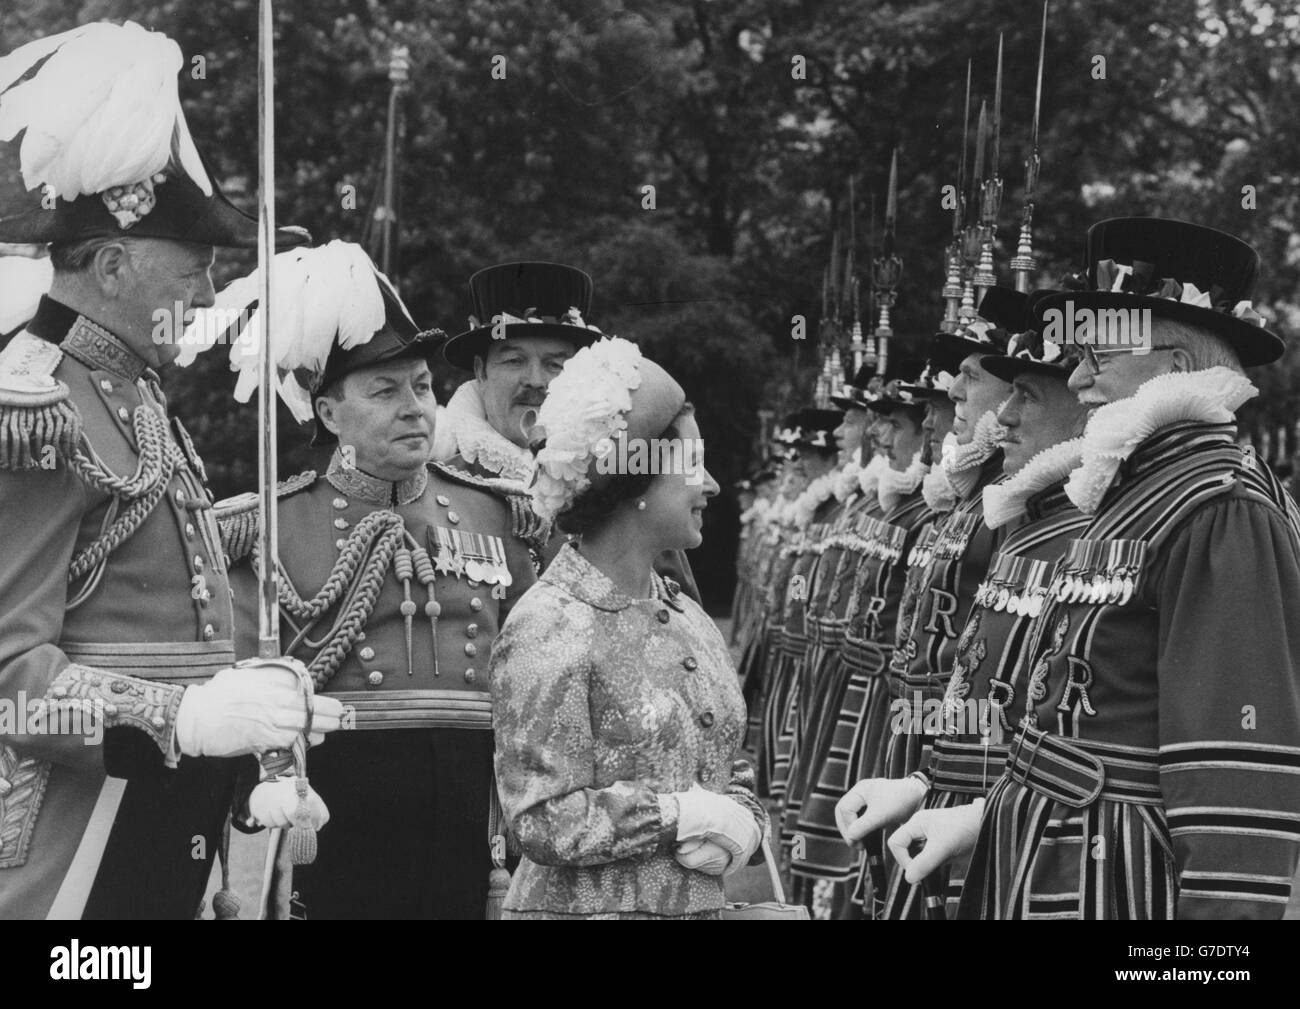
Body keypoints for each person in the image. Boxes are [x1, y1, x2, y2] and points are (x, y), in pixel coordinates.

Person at [0, 21, 340, 921]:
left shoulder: (138, 394)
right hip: (75, 837)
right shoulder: (32, 407)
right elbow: (8, 680)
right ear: (112, 265)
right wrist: (183, 718)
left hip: (165, 823)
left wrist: (251, 718)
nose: (205, 300)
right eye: (192, 274)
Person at [954, 218, 1300, 919]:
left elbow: (1235, 772)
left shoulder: (1220, 505)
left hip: (1122, 885)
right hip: (1052, 860)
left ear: (1174, 369)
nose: (1078, 376)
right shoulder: (1133, 496)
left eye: (1098, 355)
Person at [212, 242, 536, 919]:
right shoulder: (269, 526)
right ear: (329, 414)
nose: (415, 406)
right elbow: (235, 695)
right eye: (385, 390)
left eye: (423, 385)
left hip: (471, 813)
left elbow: (532, 673)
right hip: (338, 815)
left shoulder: (495, 510)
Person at [491, 336, 767, 918]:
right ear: (632, 483)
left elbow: (727, 763)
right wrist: (675, 816)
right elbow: (538, 818)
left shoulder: (689, 617)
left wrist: (743, 823)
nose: (712, 484)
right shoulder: (549, 626)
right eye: (693, 465)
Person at [842, 289, 1092, 919]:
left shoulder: (1054, 519)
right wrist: (924, 776)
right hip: (943, 749)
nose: (941, 412)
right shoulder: (1008, 508)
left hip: (1011, 793)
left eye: (1018, 392)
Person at [838, 315, 1014, 915]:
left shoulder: (1012, 504)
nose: (949, 403)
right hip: (920, 730)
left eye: (966, 379)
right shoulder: (966, 498)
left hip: (972, 751)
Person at [434, 261, 701, 602]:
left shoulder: (627, 488)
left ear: (580, 378)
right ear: (480, 372)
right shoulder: (441, 492)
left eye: (554, 364)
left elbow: (680, 623)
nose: (534, 380)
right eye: (513, 361)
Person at [786, 358, 932, 912]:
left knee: (867, 837)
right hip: (842, 677)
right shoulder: (870, 502)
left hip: (887, 695)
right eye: (867, 420)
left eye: (891, 421)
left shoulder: (920, 508)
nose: (871, 432)